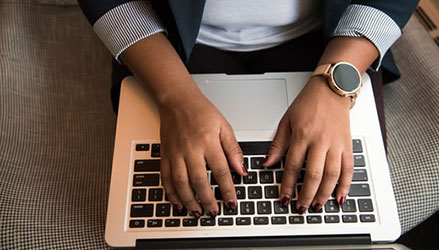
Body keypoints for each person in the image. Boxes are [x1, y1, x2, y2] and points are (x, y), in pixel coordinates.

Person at [78, 0, 418, 219]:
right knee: (175, 215)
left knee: (334, 217)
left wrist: (334, 86)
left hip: (331, 36)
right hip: (167, 39)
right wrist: (176, 98)